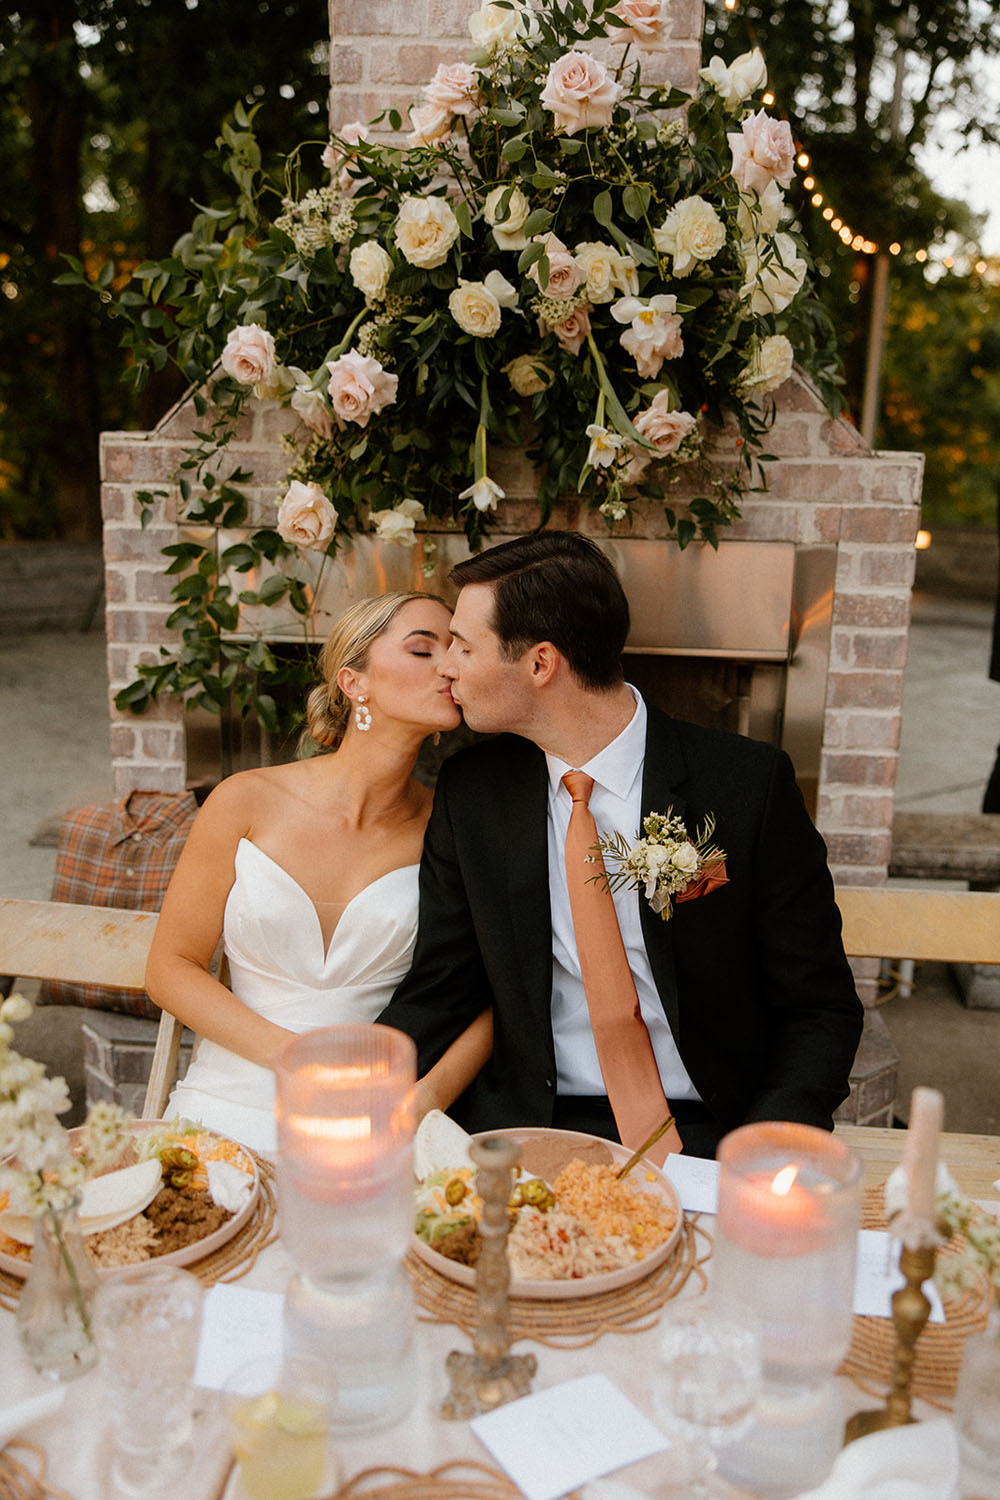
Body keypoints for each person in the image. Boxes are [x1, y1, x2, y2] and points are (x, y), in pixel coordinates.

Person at [377, 532, 864, 1160]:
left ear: (540, 664)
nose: (446, 667)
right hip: (528, 1123)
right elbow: (440, 988)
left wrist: (769, 1147)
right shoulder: (473, 793)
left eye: (464, 647)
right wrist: (353, 1090)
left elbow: (819, 1007)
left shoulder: (746, 785)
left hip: (710, 1128)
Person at [146, 591, 493, 1151]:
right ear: (354, 681)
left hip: (375, 1117)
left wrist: (425, 1100)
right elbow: (170, 968)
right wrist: (298, 1060)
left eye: (456, 650)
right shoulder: (244, 801)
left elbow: (495, 993)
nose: (449, 666)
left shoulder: (450, 829)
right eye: (422, 650)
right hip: (224, 1104)